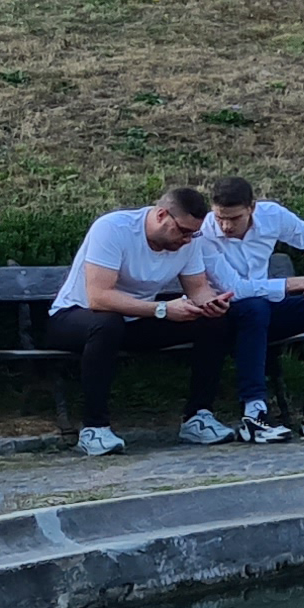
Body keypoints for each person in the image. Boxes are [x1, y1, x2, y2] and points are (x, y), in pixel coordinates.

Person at [46, 183, 232, 457]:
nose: (187, 239)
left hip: (133, 321)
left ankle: (198, 417)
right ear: (160, 215)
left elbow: (198, 289)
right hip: (74, 317)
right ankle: (94, 429)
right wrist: (162, 309)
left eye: (194, 234)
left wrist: (212, 303)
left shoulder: (189, 241)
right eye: (182, 231)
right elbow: (99, 298)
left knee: (213, 322)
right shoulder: (113, 229)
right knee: (107, 323)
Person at [193, 175, 304, 443]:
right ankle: (254, 414)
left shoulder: (272, 216)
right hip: (223, 315)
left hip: (265, 308)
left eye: (235, 218)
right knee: (254, 308)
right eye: (220, 217)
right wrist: (299, 283)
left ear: (252, 208)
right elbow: (235, 289)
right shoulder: (203, 235)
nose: (226, 225)